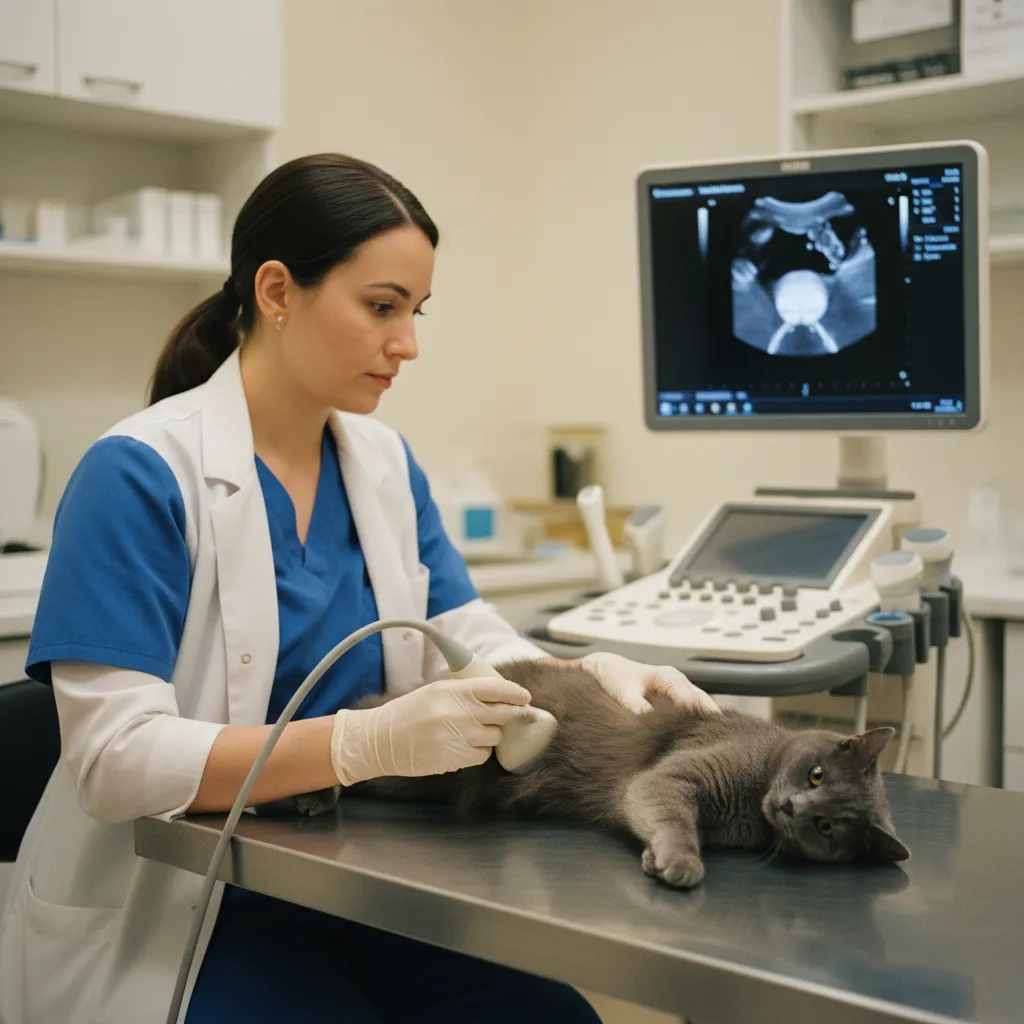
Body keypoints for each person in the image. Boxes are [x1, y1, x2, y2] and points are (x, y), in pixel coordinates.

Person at [0, 153, 718, 1023]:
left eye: (415, 312)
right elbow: (115, 763)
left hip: (361, 890)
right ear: (277, 291)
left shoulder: (381, 464)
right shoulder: (141, 474)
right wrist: (360, 744)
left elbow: (466, 630)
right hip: (188, 909)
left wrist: (586, 676)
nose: (407, 343)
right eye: (381, 308)